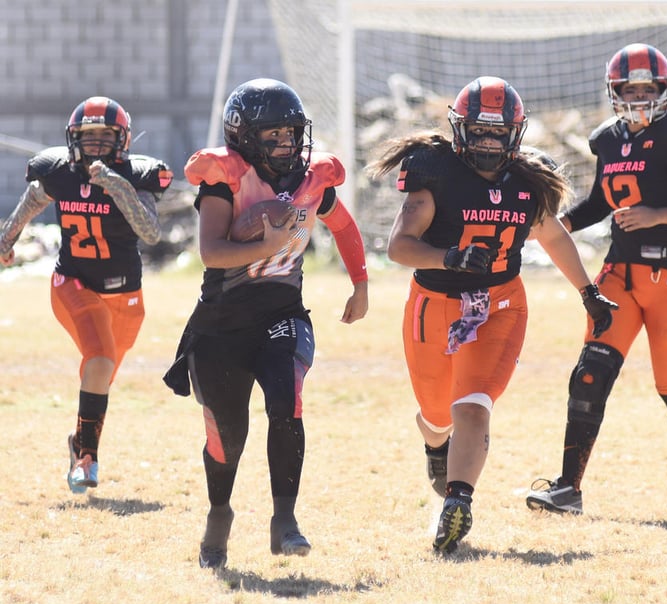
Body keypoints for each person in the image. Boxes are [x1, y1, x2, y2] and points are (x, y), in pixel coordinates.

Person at [366, 76, 617, 553]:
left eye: (496, 133)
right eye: (479, 131)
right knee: (437, 415)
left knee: (473, 406)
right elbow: (400, 246)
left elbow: (553, 236)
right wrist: (449, 258)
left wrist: (588, 291)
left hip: (499, 305)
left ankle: (458, 503)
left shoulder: (529, 178)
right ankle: (436, 447)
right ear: (460, 131)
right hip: (433, 305)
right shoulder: (434, 170)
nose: (487, 141)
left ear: (514, 134)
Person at [163, 78, 369, 569]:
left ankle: (285, 520)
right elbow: (211, 252)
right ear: (244, 138)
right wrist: (267, 244)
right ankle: (219, 515)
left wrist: (360, 282)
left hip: (282, 316)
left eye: (292, 134)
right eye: (273, 136)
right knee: (226, 435)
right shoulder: (223, 179)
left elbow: (343, 225)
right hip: (221, 324)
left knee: (286, 397)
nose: (286, 145)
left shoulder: (311, 181)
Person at [524, 43, 667, 515]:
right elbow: (600, 202)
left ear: (664, 89)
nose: (639, 95)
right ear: (615, 91)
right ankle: (568, 488)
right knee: (589, 374)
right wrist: (553, 228)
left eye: (647, 87)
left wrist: (657, 214)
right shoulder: (608, 139)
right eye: (629, 88)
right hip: (618, 275)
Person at [0, 96, 172, 493]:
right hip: (73, 284)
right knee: (98, 359)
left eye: (104, 137)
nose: (95, 145)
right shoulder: (60, 172)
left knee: (100, 377)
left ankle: (79, 441)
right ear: (73, 140)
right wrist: (7, 239)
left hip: (126, 298)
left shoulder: (138, 174)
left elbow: (150, 232)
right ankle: (87, 460)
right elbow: (33, 201)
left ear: (122, 140)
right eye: (87, 137)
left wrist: (116, 185)